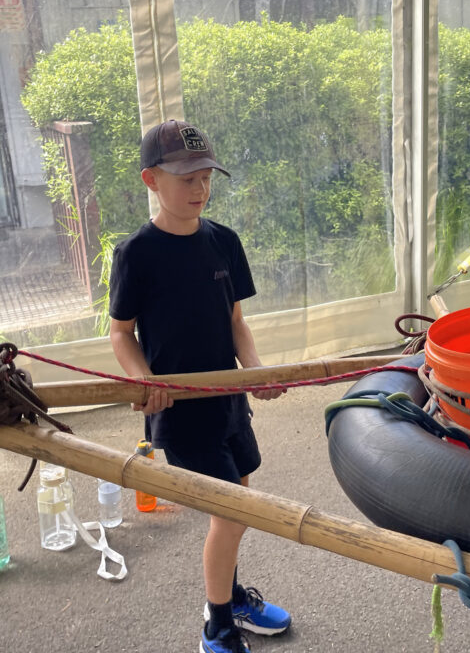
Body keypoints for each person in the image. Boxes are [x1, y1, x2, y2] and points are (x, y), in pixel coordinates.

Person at [109, 119, 291, 653]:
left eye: (206, 175)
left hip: (227, 403)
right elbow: (121, 334)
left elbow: (236, 322)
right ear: (151, 180)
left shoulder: (224, 242)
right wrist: (144, 382)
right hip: (179, 410)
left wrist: (254, 371)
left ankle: (231, 596)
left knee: (240, 505)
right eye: (185, 176)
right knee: (232, 511)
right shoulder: (136, 254)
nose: (199, 188)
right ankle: (217, 623)